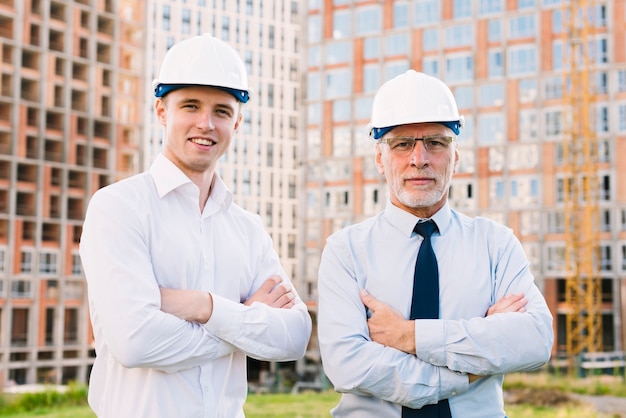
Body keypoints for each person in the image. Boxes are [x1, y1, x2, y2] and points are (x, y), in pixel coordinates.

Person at [80, 34, 312, 418]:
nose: (206, 123)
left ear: (237, 122)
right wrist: (242, 323)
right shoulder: (119, 208)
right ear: (161, 111)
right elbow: (136, 343)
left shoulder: (248, 229)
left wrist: (200, 306)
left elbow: (294, 336)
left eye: (222, 111)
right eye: (190, 105)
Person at [317, 70, 554, 417]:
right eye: (402, 144)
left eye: (435, 142)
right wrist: (470, 368)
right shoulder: (345, 251)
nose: (419, 158)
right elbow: (348, 365)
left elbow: (534, 340)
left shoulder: (496, 245)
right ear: (380, 159)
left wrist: (409, 336)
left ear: (455, 156)